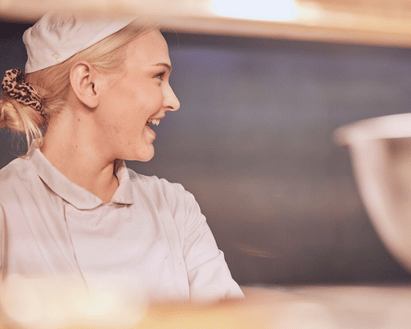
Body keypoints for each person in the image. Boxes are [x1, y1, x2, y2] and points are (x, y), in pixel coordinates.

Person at [0, 13, 244, 303]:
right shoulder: (7, 209)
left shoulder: (174, 208)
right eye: (158, 77)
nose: (173, 101)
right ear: (89, 84)